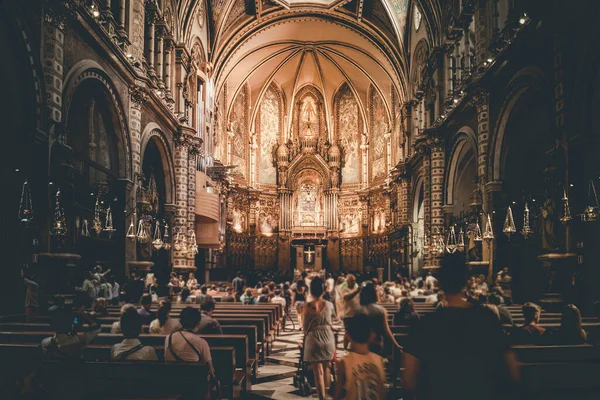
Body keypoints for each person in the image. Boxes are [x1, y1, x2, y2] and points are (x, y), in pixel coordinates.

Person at [402, 253, 520, 400]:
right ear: (467, 282)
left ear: (440, 283)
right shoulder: (487, 318)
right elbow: (513, 371)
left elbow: (408, 381)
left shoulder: (424, 325)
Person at [334, 314, 386, 400]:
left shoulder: (344, 362)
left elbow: (338, 394)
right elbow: (382, 392)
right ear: (371, 336)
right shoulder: (379, 360)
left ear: (347, 336)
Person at [303, 277, 336, 400]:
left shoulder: (308, 306)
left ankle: (321, 397)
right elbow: (331, 321)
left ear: (311, 290)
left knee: (318, 372)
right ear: (323, 290)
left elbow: (305, 327)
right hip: (327, 337)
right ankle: (328, 395)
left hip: (313, 338)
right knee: (327, 367)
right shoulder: (330, 305)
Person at [165, 307, 216, 379]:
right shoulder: (201, 342)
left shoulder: (168, 338)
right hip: (193, 383)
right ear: (198, 323)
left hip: (171, 379)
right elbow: (210, 369)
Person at [356, 282, 401, 355]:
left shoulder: (357, 310)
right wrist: (396, 344)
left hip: (362, 342)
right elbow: (386, 329)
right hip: (376, 341)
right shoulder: (380, 310)